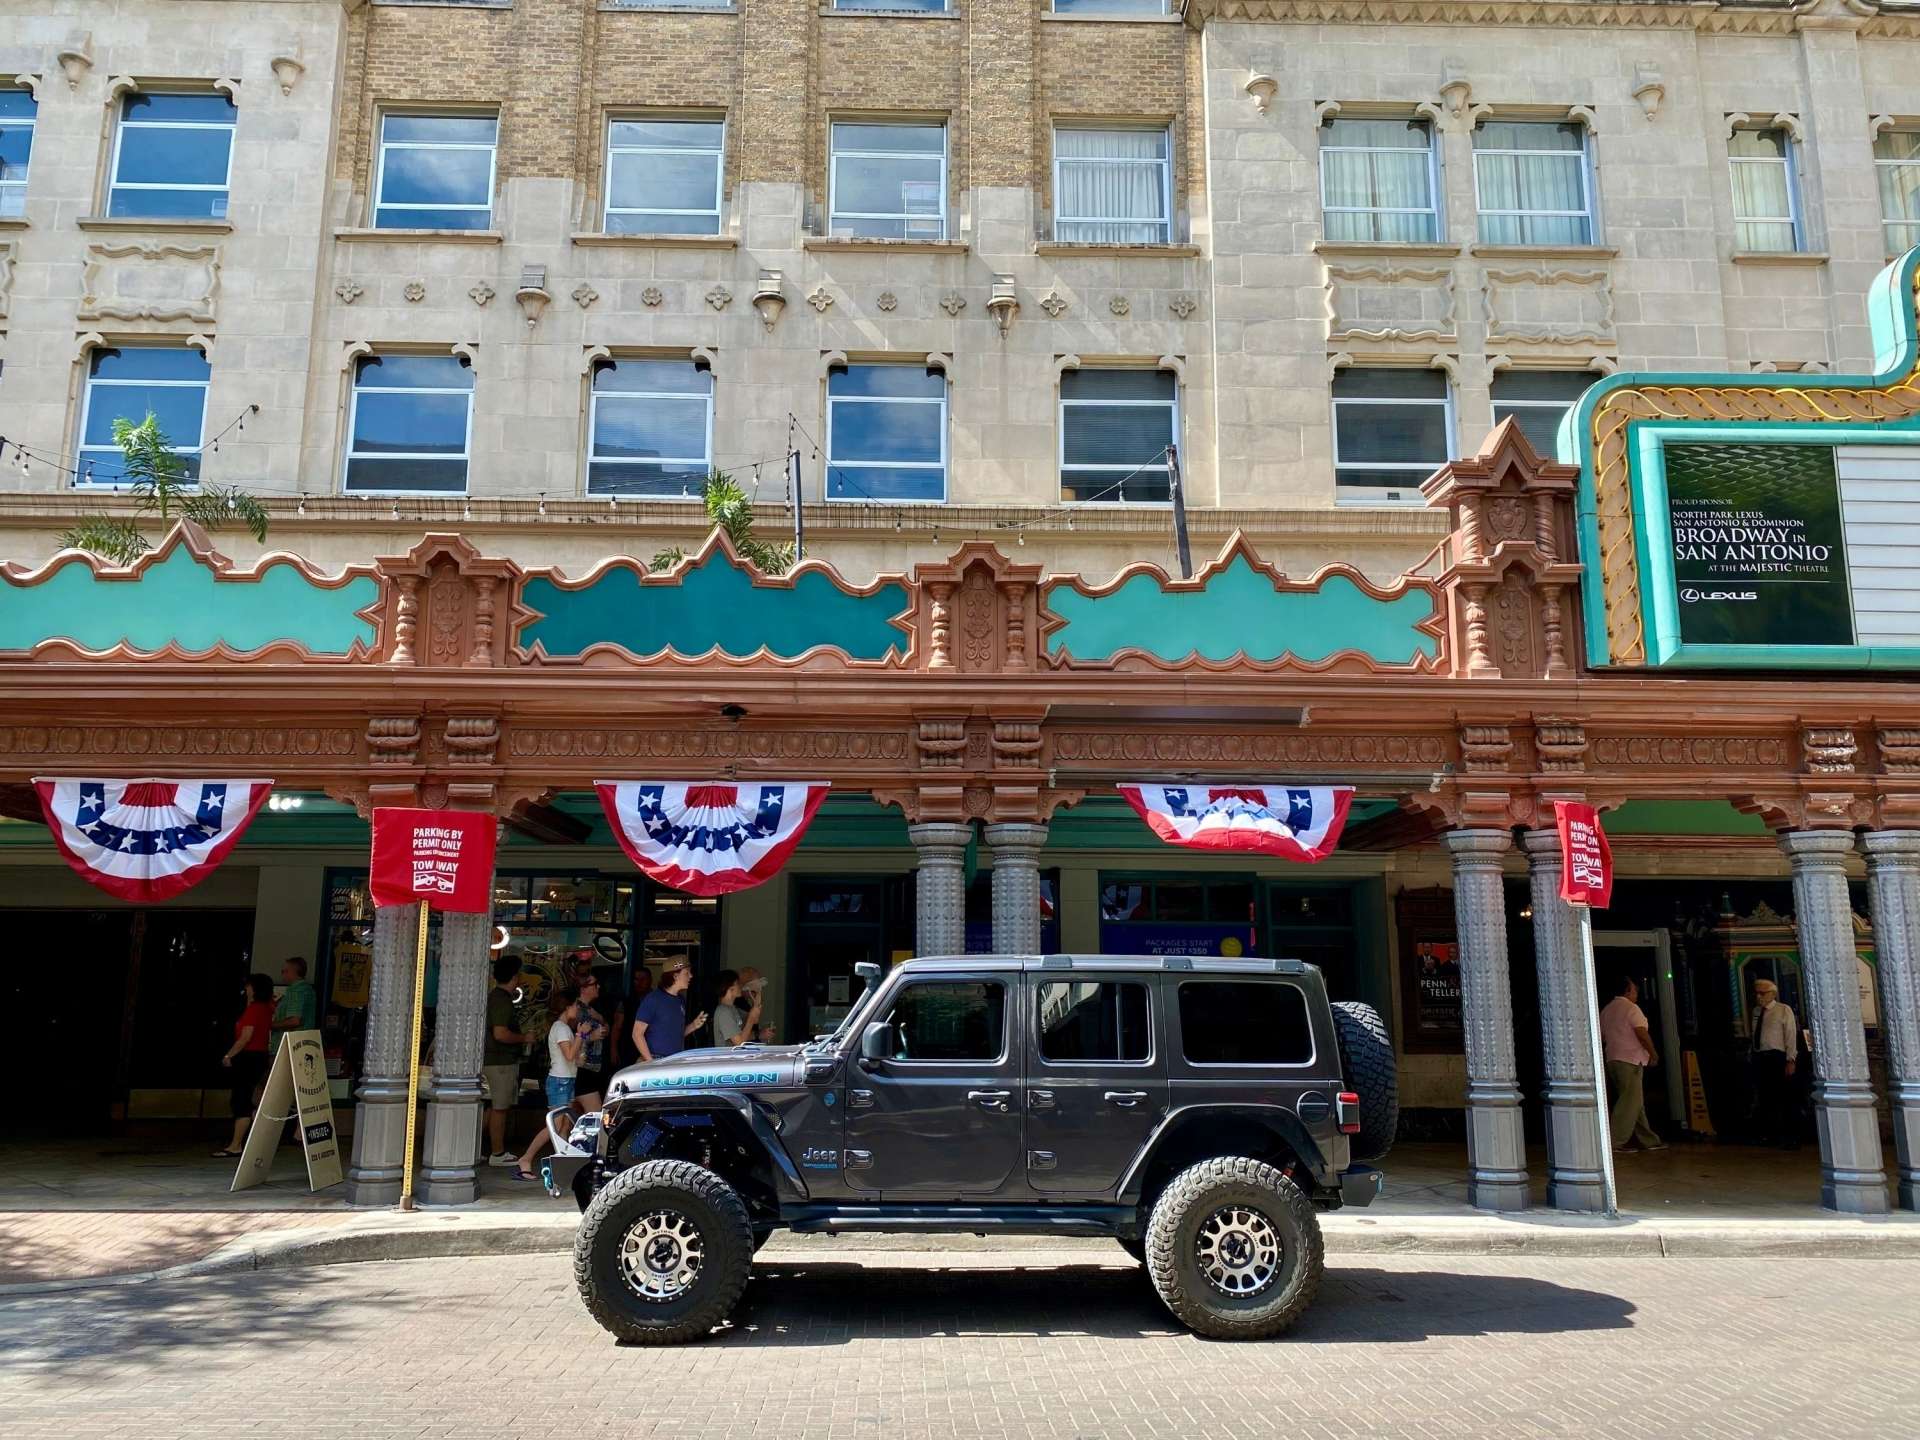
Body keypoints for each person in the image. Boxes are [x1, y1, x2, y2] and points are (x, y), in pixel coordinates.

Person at [514, 986, 584, 1182]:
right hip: (560, 1080)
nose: (578, 1008)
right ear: (568, 1007)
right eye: (576, 1005)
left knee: (564, 1125)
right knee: (555, 1124)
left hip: (566, 1079)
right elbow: (569, 1055)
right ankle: (526, 1158)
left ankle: (561, 1166)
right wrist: (581, 1035)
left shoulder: (563, 1028)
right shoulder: (560, 1028)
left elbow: (574, 1058)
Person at [1599, 974, 1665, 1153]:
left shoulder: (1607, 1010)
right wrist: (1653, 1053)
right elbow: (1641, 1033)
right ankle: (1614, 1141)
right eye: (1635, 989)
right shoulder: (1632, 1008)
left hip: (1613, 1059)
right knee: (1629, 1102)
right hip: (1631, 1060)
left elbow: (1602, 1036)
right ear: (1627, 991)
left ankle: (1649, 1140)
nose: (1637, 993)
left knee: (1635, 1101)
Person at [214, 973, 276, 1158]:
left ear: (254, 988)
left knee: (241, 1099)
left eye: (249, 986)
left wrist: (229, 1055)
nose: (246, 989)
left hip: (248, 1057)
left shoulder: (254, 1009)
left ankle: (236, 1144)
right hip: (260, 1056)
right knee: (251, 1096)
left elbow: (245, 1037)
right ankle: (248, 1140)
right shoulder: (267, 1008)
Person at [483, 955, 534, 1167]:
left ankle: (479, 1148)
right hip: (500, 1062)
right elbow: (501, 1033)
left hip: (494, 1060)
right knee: (500, 1108)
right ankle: (497, 1153)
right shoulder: (502, 1000)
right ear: (514, 976)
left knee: (491, 1106)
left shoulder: (495, 997)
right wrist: (524, 1038)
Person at [1749, 978, 1801, 1148]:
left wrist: (1790, 1059)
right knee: (1765, 1097)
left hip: (1777, 1057)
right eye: (1756, 993)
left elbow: (1790, 1035)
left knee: (1782, 1097)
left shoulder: (1783, 1010)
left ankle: (1788, 1136)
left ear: (1772, 994)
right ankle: (1769, 1134)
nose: (1758, 996)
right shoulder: (1756, 1011)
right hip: (1761, 1057)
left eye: (1762, 993)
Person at [632, 958, 706, 1062]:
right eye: (687, 973)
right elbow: (637, 1034)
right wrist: (651, 1062)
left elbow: (674, 1034)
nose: (691, 976)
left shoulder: (680, 1000)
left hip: (673, 1060)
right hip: (655, 1059)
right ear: (675, 976)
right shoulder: (653, 999)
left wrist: (694, 1025)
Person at [572, 972, 612, 1109]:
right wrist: (590, 1037)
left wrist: (600, 1018)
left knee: (571, 1117)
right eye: (595, 984)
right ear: (583, 988)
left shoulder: (591, 1009)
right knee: (595, 1114)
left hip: (592, 1068)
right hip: (581, 1069)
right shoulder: (575, 1011)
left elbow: (607, 1030)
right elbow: (567, 1041)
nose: (598, 986)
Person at [269, 956, 318, 1054]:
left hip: (289, 1046)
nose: (282, 974)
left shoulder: (297, 991)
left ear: (295, 972)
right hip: (300, 1045)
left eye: (286, 971)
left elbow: (294, 1021)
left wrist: (270, 1025)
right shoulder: (307, 989)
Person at [610, 967, 653, 1070]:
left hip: (652, 1049)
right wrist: (613, 1049)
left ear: (650, 980)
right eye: (636, 979)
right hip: (629, 1049)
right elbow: (617, 1027)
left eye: (643, 979)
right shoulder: (626, 1002)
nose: (639, 982)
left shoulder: (657, 1001)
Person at [711, 969, 762, 1048]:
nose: (741, 986)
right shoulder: (723, 1012)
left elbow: (753, 1022)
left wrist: (757, 996)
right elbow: (739, 1043)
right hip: (728, 1056)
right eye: (738, 983)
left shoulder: (732, 1009)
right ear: (730, 988)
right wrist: (751, 1018)